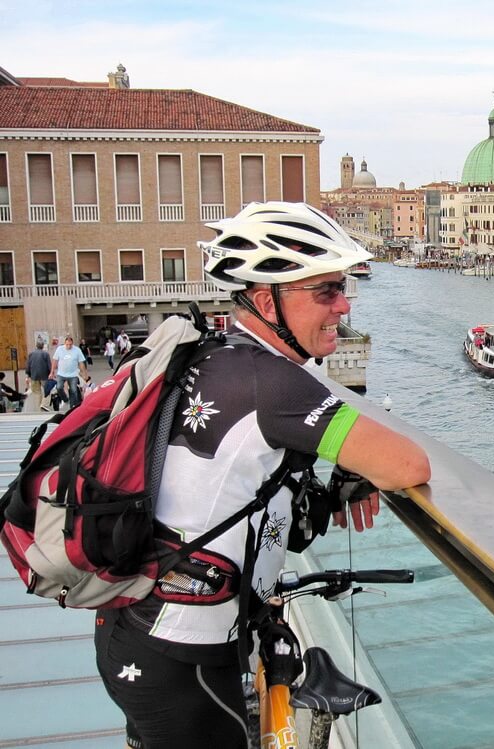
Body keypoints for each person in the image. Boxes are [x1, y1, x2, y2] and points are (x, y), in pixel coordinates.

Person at [93, 202, 431, 749]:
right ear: (264, 299)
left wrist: (338, 472)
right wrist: (358, 464)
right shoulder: (276, 385)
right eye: (326, 291)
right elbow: (410, 465)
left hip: (142, 628)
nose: (345, 305)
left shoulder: (213, 353)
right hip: (184, 651)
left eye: (342, 287)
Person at [50, 336, 89, 409]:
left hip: (73, 374)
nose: (69, 346)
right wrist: (52, 372)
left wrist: (84, 373)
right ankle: (65, 399)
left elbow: (81, 363)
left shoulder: (77, 350)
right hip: (61, 373)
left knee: (73, 390)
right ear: (64, 343)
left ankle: (72, 406)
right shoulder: (59, 349)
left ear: (72, 343)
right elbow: (55, 360)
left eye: (70, 345)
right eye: (67, 344)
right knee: (59, 387)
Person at [24, 340, 51, 412]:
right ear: (42, 346)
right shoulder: (46, 354)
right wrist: (50, 374)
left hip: (34, 376)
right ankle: (44, 404)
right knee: (47, 390)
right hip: (44, 375)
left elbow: (28, 365)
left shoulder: (31, 354)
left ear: (36, 346)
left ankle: (38, 407)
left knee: (36, 392)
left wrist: (28, 375)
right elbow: (49, 365)